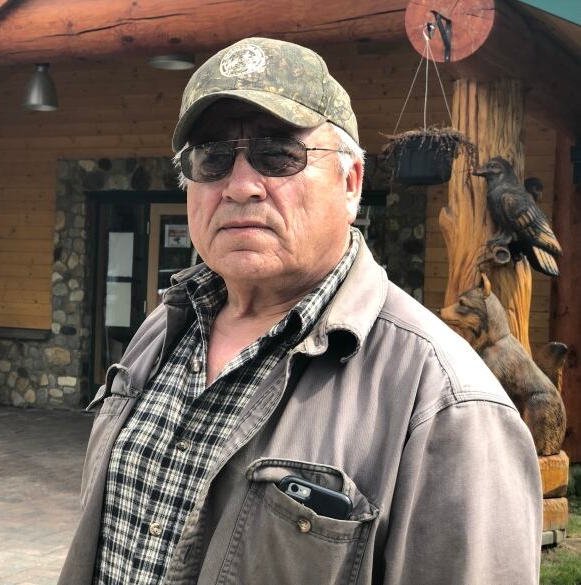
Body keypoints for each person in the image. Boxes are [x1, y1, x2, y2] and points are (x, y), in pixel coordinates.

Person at [58, 37, 542, 585]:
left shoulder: (447, 404)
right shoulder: (164, 326)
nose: (240, 186)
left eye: (278, 154)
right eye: (213, 158)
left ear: (351, 183)